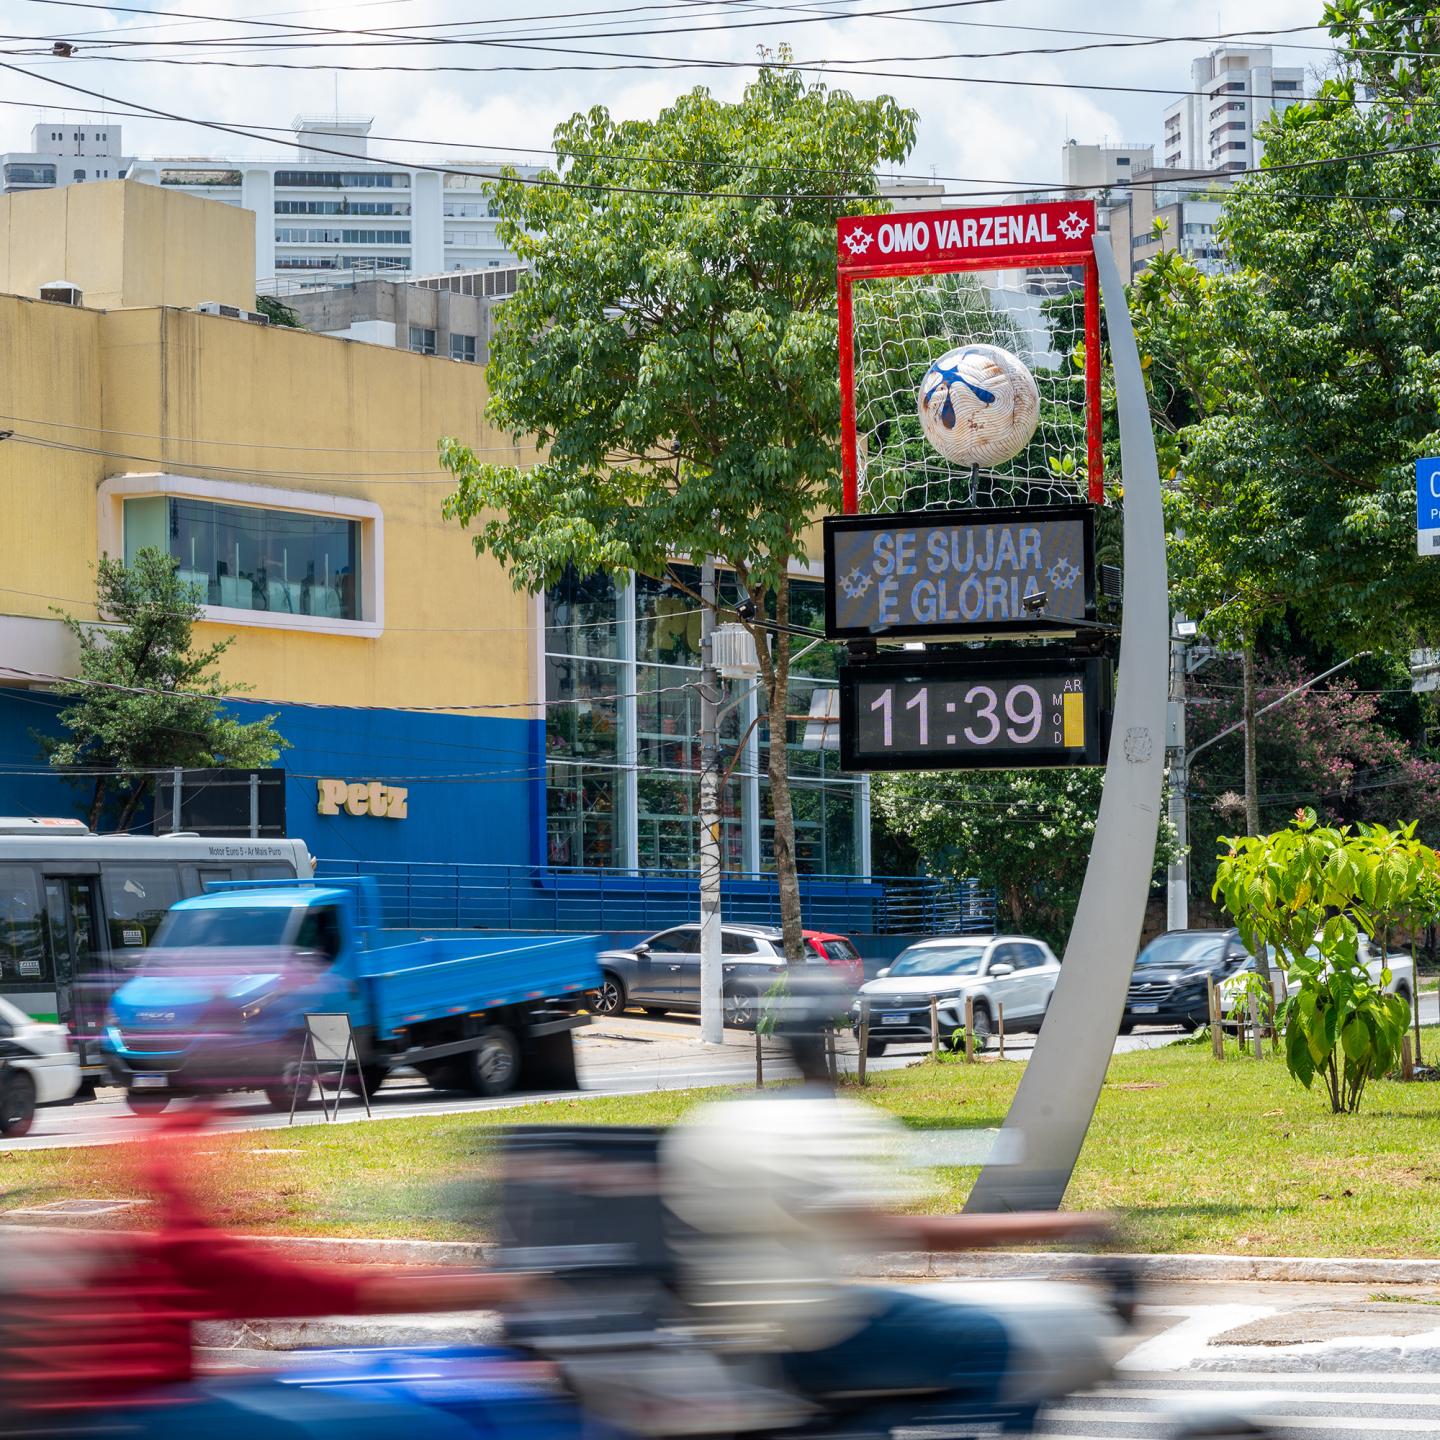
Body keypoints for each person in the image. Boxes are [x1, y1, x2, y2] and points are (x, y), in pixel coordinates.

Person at [660, 973, 1109, 1417]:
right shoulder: (822, 1123)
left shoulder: (716, 1119)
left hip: (735, 1334)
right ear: (834, 1041)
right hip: (816, 1331)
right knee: (993, 1338)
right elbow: (904, 1231)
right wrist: (1061, 1223)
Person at [0, 1110, 525, 1434]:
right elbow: (347, 1292)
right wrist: (514, 1285)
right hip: (143, 1416)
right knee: (414, 1425)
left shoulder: (155, 1246)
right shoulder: (190, 1252)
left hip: (131, 1410)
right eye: (210, 1155)